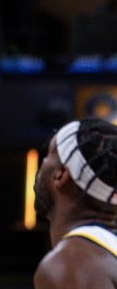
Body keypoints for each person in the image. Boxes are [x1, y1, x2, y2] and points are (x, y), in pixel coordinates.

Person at [33, 117, 117, 288]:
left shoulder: (69, 264)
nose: (42, 163)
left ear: (61, 175)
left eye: (49, 155)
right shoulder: (103, 254)